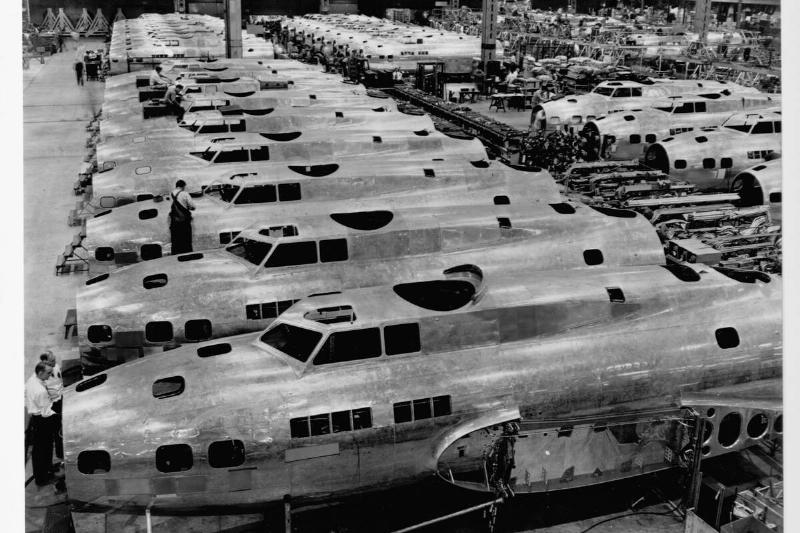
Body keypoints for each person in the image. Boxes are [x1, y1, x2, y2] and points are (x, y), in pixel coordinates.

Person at [26, 362, 61, 491]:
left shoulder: (33, 379)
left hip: (37, 418)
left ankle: (48, 468)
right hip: (42, 419)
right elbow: (47, 412)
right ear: (40, 372)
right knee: (42, 450)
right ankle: (42, 478)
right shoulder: (40, 391)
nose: (50, 375)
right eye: (48, 373)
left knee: (45, 447)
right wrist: (60, 412)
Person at [40, 352, 63, 466]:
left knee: (63, 426)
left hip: (61, 399)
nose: (55, 362)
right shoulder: (41, 375)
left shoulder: (56, 366)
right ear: (45, 362)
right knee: (57, 429)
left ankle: (62, 450)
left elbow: (60, 382)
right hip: (52, 404)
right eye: (52, 360)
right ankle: (59, 453)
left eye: (54, 359)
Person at [169, 179, 195, 254]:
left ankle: (176, 254)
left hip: (174, 221)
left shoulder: (171, 194)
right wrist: (188, 207)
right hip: (184, 221)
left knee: (176, 240)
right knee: (186, 239)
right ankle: (187, 253)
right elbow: (193, 206)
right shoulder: (185, 194)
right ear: (183, 186)